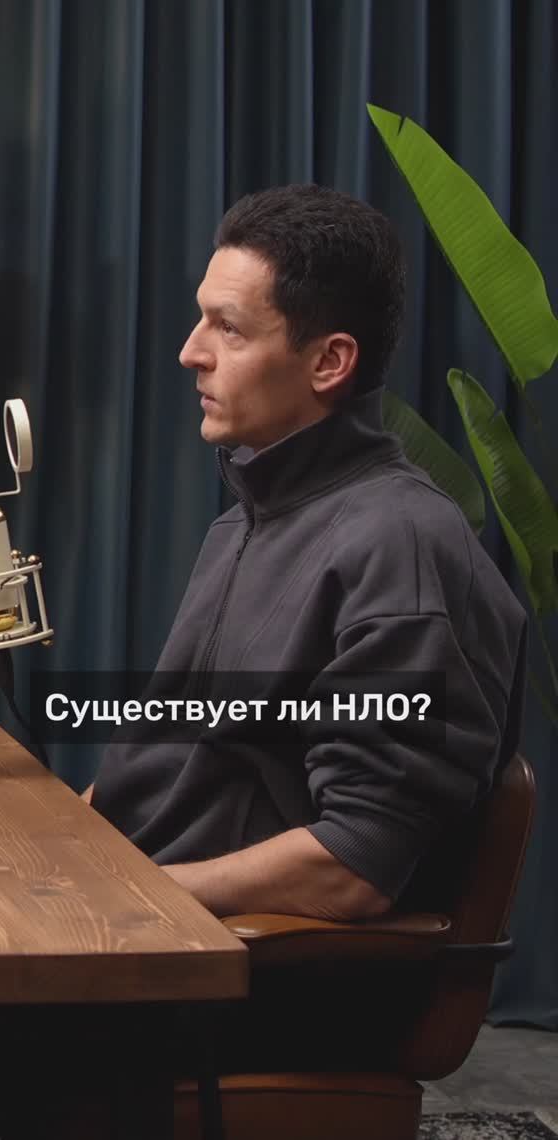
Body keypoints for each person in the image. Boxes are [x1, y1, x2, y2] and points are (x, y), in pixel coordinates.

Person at [88, 183, 527, 930]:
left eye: (229, 329)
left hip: (235, 962)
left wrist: (127, 896)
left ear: (330, 362)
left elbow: (355, 863)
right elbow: (166, 772)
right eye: (201, 318)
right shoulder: (240, 524)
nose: (191, 352)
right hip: (142, 913)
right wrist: (54, 856)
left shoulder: (401, 546)